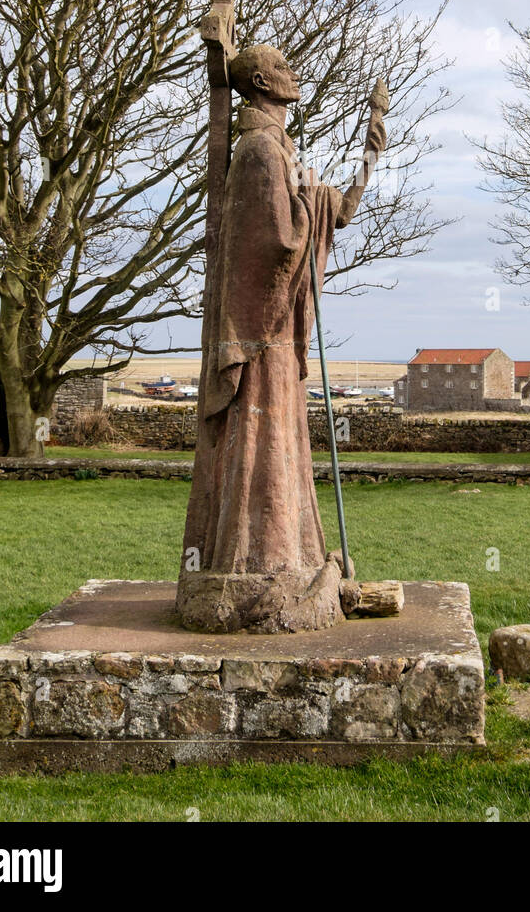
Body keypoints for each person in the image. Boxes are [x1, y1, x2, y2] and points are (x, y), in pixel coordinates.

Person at [177, 44, 387, 632]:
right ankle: (258, 562)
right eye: (285, 68)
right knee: (262, 443)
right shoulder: (261, 151)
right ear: (264, 83)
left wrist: (370, 156)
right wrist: (311, 211)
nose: (296, 75)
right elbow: (278, 243)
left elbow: (333, 211)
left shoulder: (279, 151)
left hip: (272, 339)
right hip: (262, 338)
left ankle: (284, 556)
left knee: (280, 444)